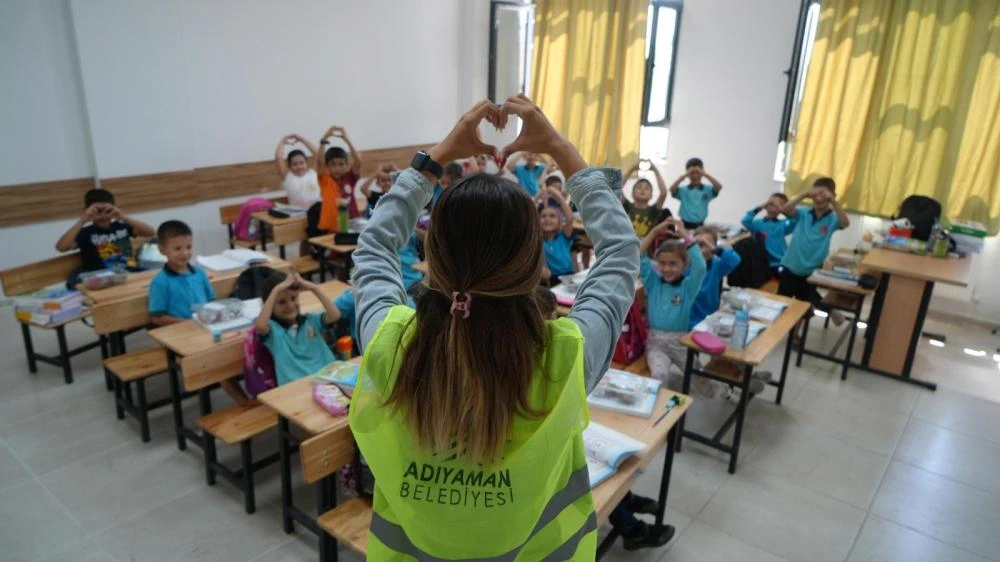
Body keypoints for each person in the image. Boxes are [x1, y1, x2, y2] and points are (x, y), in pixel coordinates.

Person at [348, 96, 657, 559]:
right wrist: (560, 147)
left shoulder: (390, 345)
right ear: (532, 264)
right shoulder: (564, 358)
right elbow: (620, 250)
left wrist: (435, 159)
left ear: (432, 256)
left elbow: (372, 249)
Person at [148, 221, 248, 401]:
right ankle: (244, 402)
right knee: (217, 361)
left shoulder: (200, 273)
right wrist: (188, 323)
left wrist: (215, 315)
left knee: (240, 345)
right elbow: (156, 317)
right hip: (180, 335)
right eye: (177, 248)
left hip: (205, 328)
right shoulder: (160, 282)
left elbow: (210, 301)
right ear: (162, 250)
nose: (185, 253)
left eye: (188, 247)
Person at [639, 219, 721, 398]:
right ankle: (662, 410)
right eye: (662, 263)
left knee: (701, 378)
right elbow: (639, 255)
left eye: (673, 263)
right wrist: (654, 231)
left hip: (681, 343)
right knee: (659, 376)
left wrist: (685, 234)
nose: (667, 268)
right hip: (656, 345)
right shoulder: (653, 282)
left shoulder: (688, 286)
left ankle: (725, 391)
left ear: (685, 265)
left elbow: (700, 266)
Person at [778, 177, 850, 325]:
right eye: (816, 194)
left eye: (824, 195)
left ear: (832, 196)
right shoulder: (804, 213)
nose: (819, 199)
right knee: (782, 304)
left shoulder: (833, 219)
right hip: (790, 265)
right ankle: (780, 329)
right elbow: (784, 209)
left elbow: (845, 223)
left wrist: (834, 202)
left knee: (804, 306)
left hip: (811, 271)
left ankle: (797, 332)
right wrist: (804, 195)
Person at [255, 271, 341, 386]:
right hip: (296, 387)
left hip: (329, 379)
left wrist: (314, 288)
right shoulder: (273, 331)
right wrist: (276, 290)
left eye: (293, 298)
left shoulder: (310, 320)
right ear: (270, 306)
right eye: (281, 302)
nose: (290, 306)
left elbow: (335, 315)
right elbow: (260, 325)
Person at [56, 188, 156, 286]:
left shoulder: (121, 227)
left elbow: (150, 232)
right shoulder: (86, 233)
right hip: (101, 279)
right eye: (98, 211)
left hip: (127, 274)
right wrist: (83, 220)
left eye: (107, 211)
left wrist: (123, 217)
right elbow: (61, 247)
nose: (103, 216)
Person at [689, 227, 742, 329]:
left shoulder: (716, 265)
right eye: (699, 244)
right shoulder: (687, 265)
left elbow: (735, 259)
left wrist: (713, 248)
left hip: (709, 315)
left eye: (707, 244)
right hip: (690, 319)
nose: (703, 248)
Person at [741, 193, 797, 276]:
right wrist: (760, 207)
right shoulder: (757, 224)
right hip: (761, 263)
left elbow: (793, 222)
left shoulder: (784, 224)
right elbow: (745, 220)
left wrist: (782, 209)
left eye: (778, 204)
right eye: (771, 203)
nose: (773, 205)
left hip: (780, 262)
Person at [669, 157, 723, 230]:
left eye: (698, 172)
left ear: (701, 173)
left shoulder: (707, 189)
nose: (695, 176)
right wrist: (684, 175)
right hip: (685, 225)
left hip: (700, 225)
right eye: (692, 173)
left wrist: (705, 174)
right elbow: (672, 189)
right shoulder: (683, 190)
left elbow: (719, 187)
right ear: (688, 174)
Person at [540, 185, 577, 284]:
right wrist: (538, 197)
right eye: (543, 216)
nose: (547, 219)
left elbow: (569, 219)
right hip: (550, 279)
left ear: (560, 222)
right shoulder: (539, 240)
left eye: (552, 216)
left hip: (568, 275)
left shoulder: (564, 236)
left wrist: (559, 196)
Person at [622, 159, 669, 237]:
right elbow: (617, 188)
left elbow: (663, 193)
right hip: (628, 243)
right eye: (639, 187)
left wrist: (655, 170)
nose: (643, 190)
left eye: (647, 188)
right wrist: (632, 169)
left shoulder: (653, 210)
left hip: (646, 244)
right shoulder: (627, 206)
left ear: (651, 196)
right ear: (632, 194)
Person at [274, 134, 321, 209]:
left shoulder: (313, 173)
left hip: (317, 211)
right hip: (297, 213)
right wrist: (283, 141)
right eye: (294, 164)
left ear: (306, 163)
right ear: (289, 166)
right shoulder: (287, 176)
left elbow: (318, 154)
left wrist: (302, 139)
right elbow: (278, 158)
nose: (299, 167)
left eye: (302, 163)